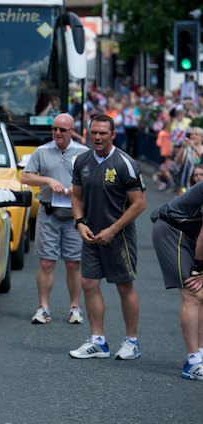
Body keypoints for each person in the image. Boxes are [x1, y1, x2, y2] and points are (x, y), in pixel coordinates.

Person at [69, 114, 146, 360]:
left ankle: (132, 342)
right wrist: (80, 223)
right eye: (94, 133)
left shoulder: (126, 163)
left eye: (103, 133)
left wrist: (112, 230)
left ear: (113, 135)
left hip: (118, 237)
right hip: (91, 233)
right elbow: (77, 196)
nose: (98, 137)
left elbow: (139, 203)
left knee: (124, 287)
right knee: (89, 284)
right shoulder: (81, 161)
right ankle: (98, 341)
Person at [21, 113, 89, 325]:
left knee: (73, 263)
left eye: (62, 130)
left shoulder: (84, 152)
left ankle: (75, 308)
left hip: (75, 216)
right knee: (47, 262)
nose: (57, 133)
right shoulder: (42, 151)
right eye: (54, 129)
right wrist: (48, 180)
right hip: (48, 212)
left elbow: (93, 180)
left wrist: (76, 190)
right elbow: (25, 176)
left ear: (72, 131)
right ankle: (43, 308)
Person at [151, 178, 203, 380]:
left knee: (202, 295)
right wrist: (199, 268)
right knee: (193, 293)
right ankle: (192, 362)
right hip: (172, 231)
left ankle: (200, 355)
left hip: (190, 234)